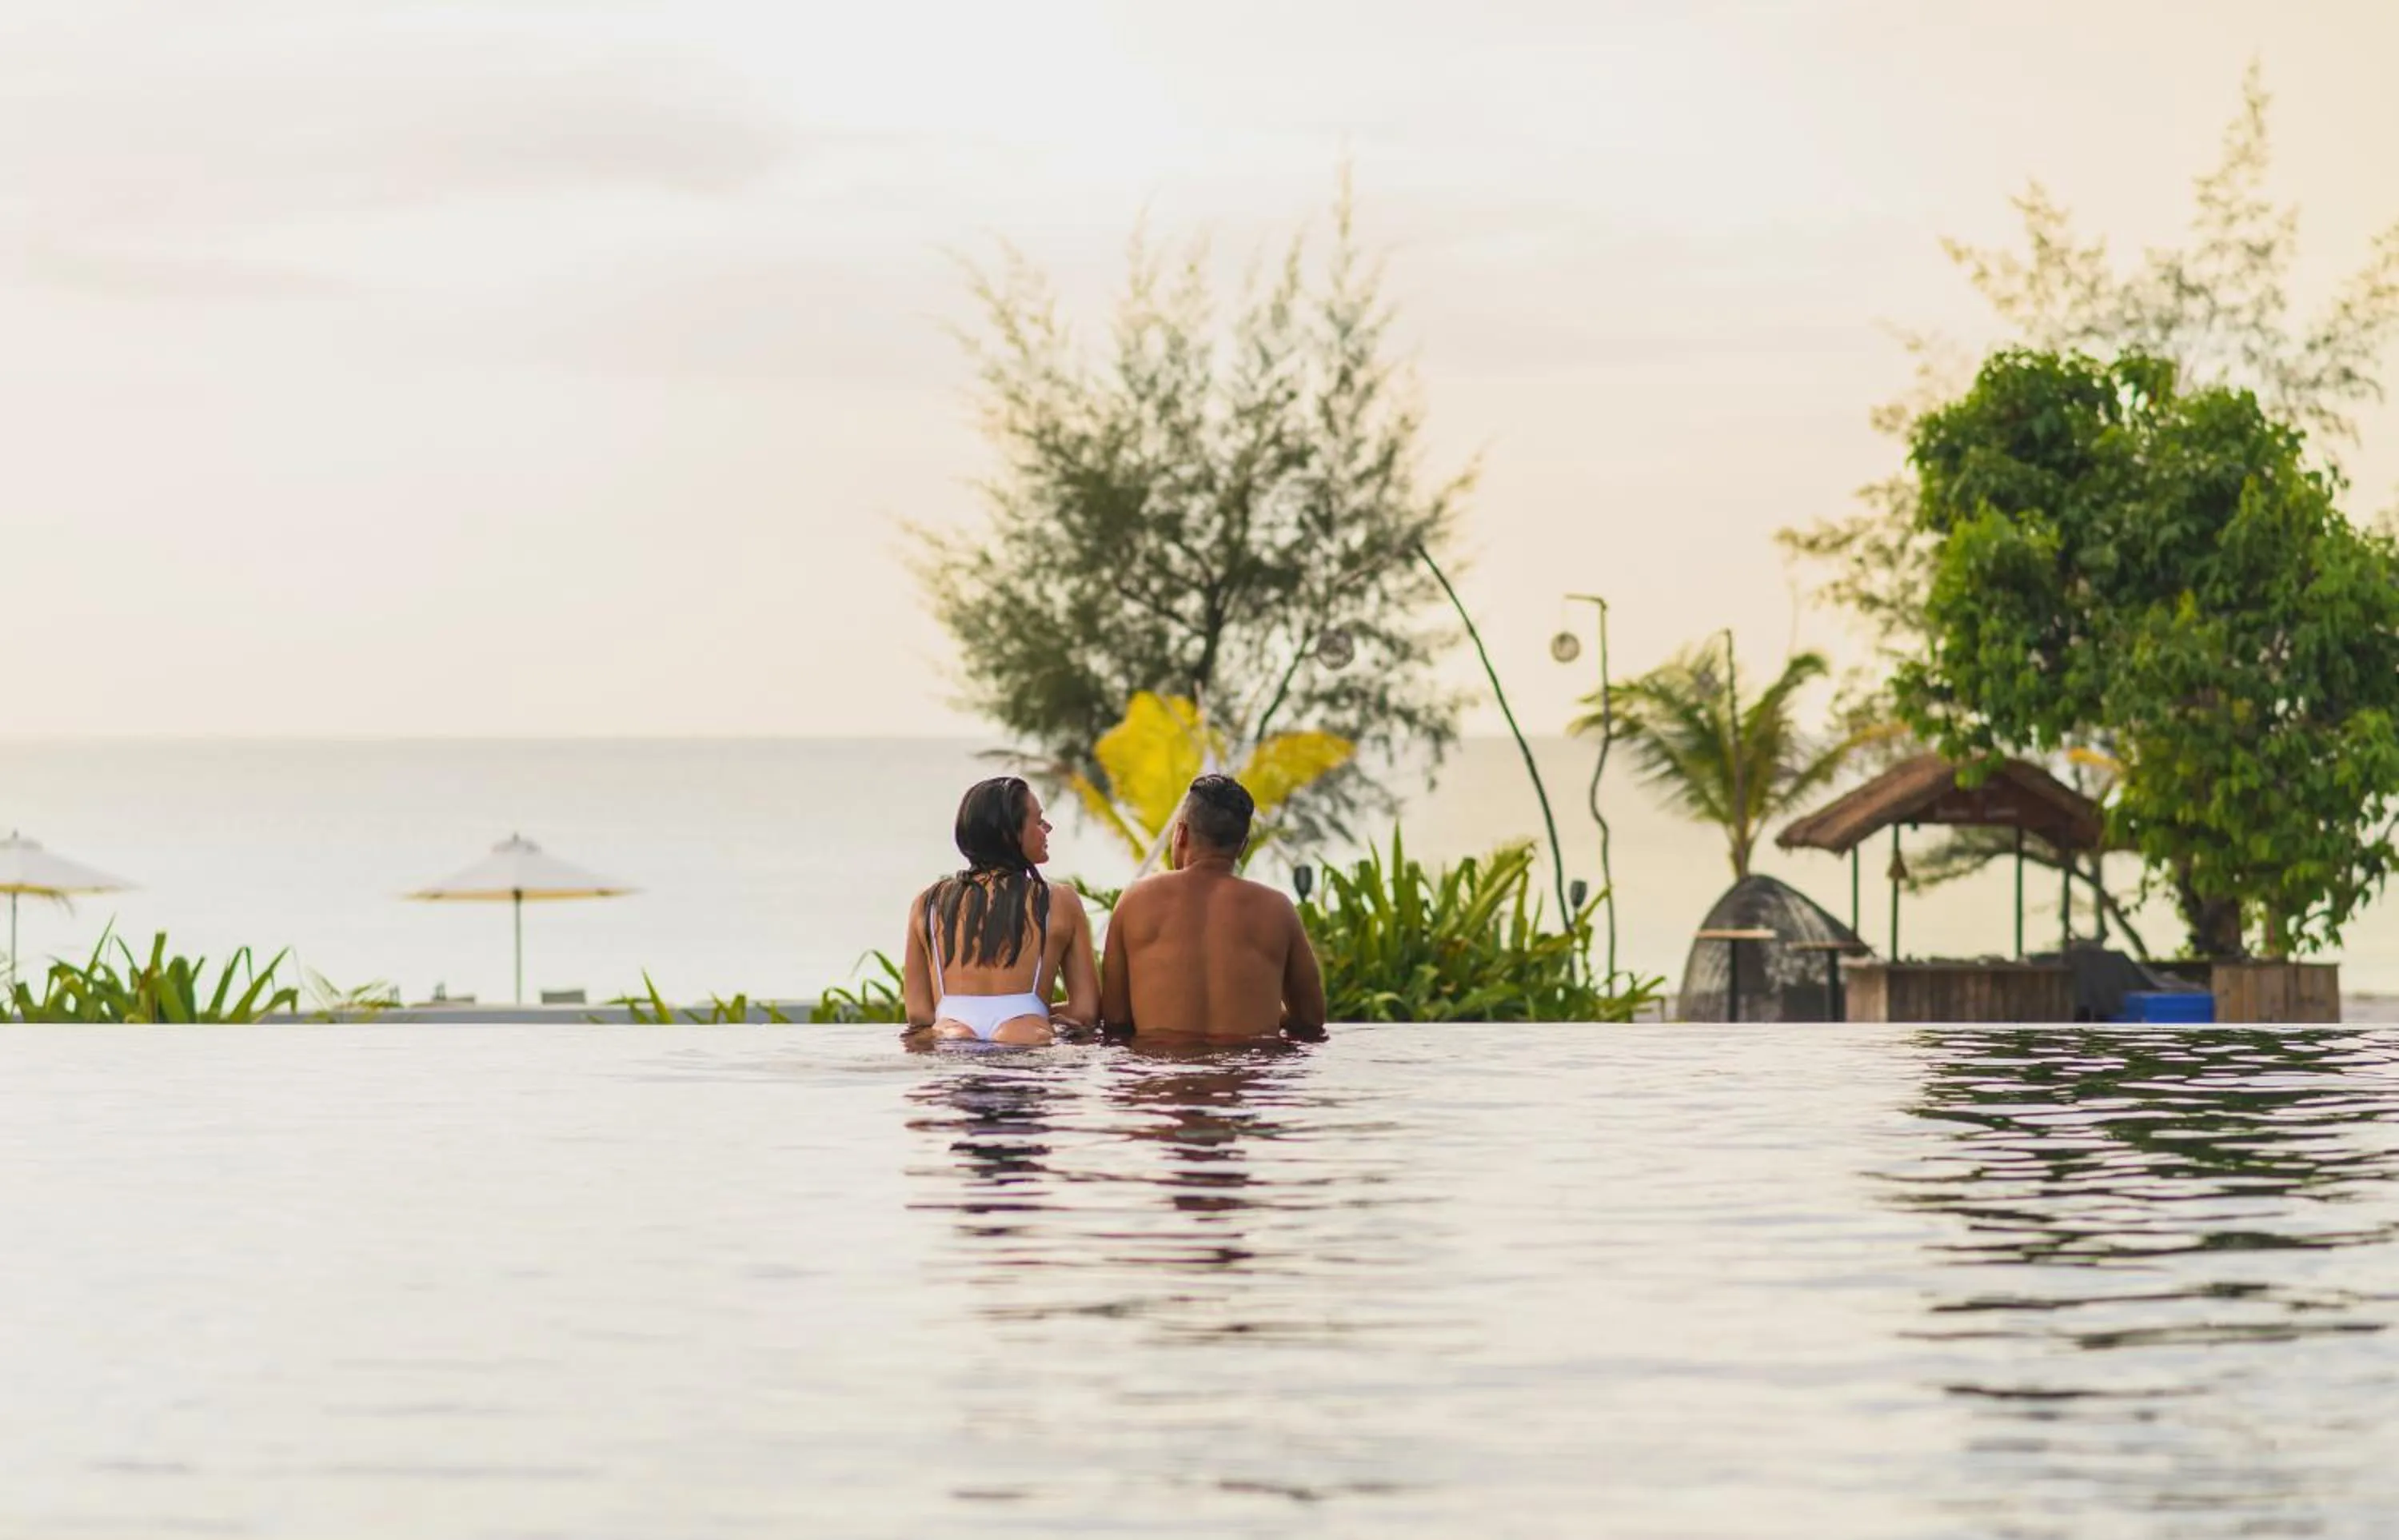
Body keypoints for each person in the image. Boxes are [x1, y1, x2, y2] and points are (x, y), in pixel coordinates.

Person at [1100, 774, 1327, 1043]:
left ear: (1181, 834)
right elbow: (1311, 1021)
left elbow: (1116, 1021)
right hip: (1245, 1078)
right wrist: (1259, 1015)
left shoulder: (1135, 901)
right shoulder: (1278, 910)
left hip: (1163, 1078)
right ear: (1242, 846)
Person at [902, 776, 1098, 1046]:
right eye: (1039, 821)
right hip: (1026, 1033)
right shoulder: (1060, 900)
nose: (1048, 828)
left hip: (952, 1033)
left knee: (945, 1040)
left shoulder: (928, 902)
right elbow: (1086, 1012)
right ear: (1010, 833)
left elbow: (919, 1014)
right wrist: (1034, 1014)